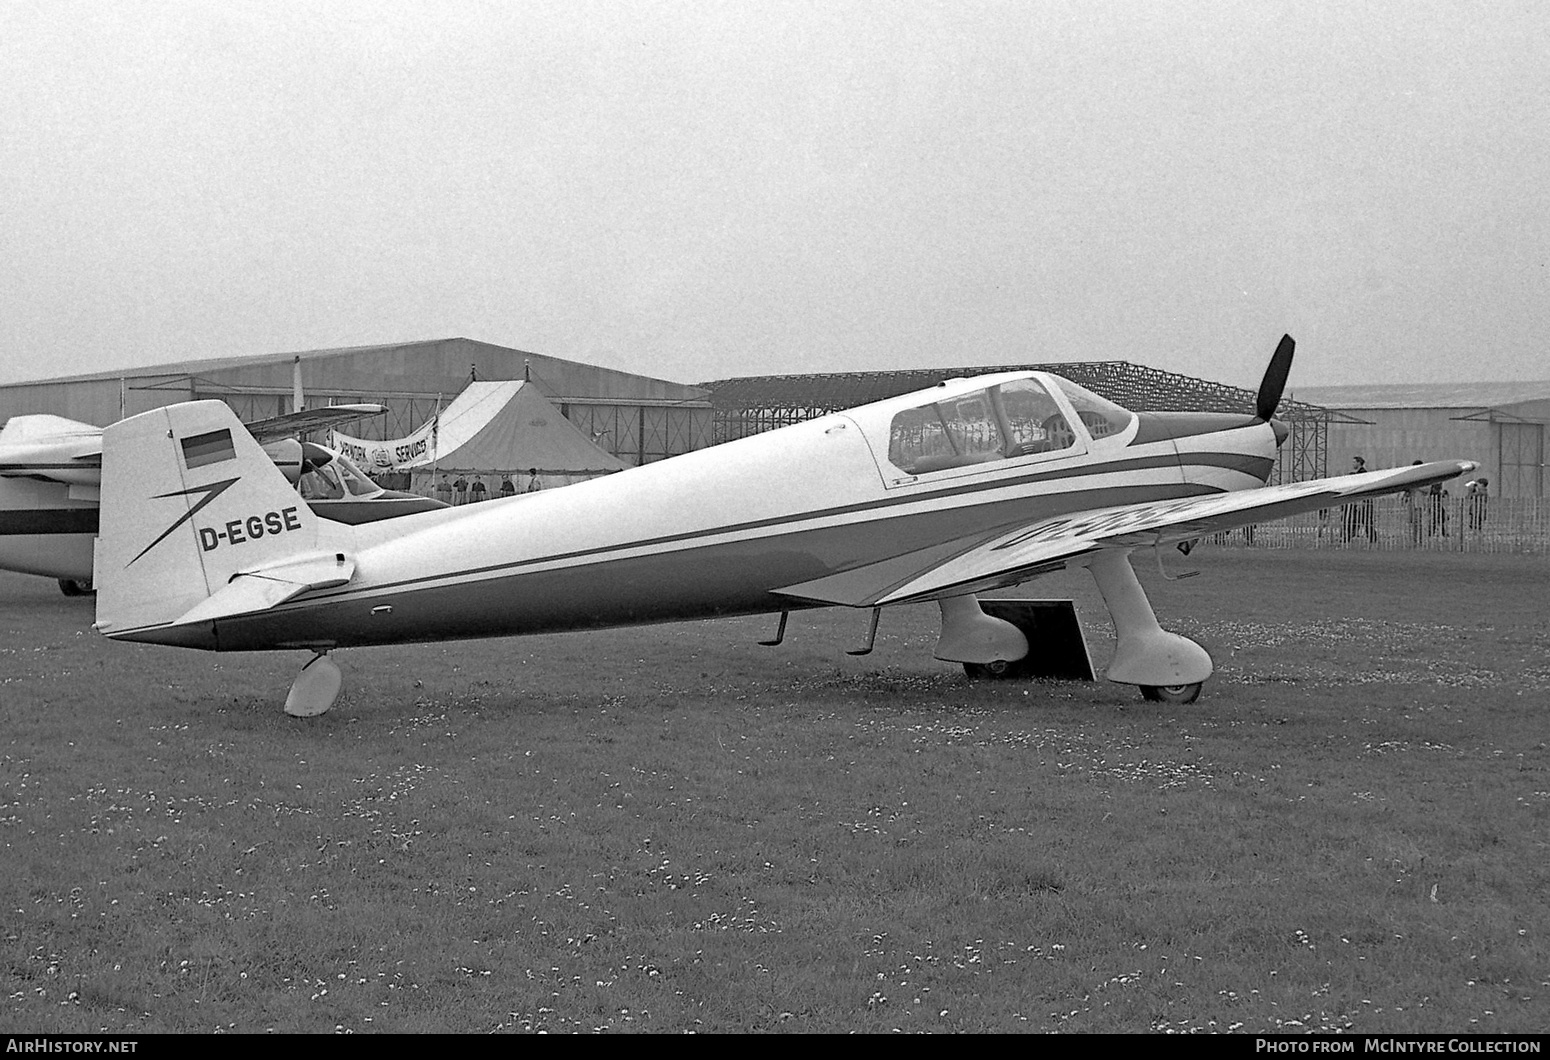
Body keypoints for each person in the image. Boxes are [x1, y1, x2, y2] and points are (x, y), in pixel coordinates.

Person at [1402, 460, 1425, 545]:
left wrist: (1416, 485)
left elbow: (1427, 489)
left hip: (1419, 502)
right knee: (1412, 522)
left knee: (1418, 522)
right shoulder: (1413, 476)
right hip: (1412, 501)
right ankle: (1415, 539)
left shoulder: (1425, 476)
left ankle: (1419, 539)